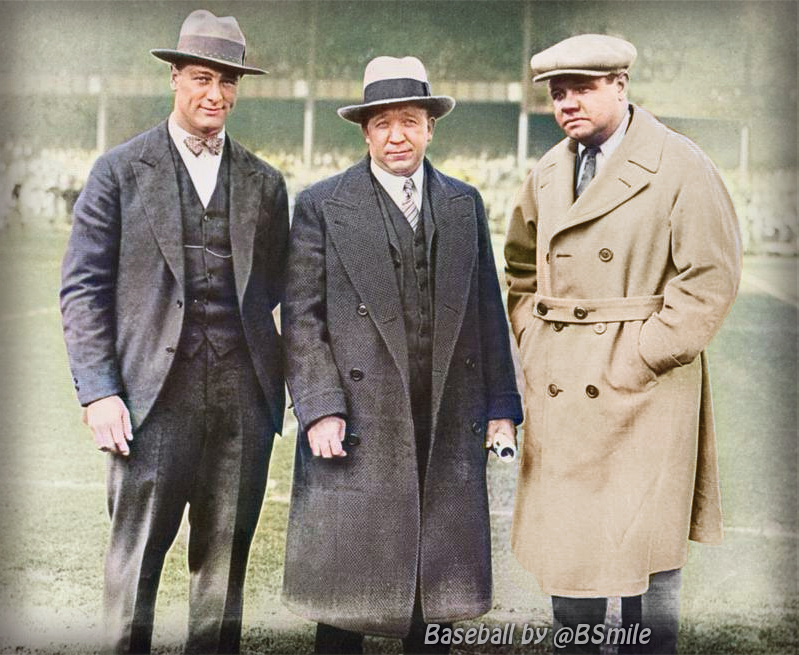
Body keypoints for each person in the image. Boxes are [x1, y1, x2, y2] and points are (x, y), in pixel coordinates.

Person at [504, 34, 742, 654]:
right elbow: (520, 270)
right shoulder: (548, 171)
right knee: (570, 555)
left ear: (620, 85)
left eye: (582, 89)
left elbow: (709, 278)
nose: (567, 104)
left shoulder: (681, 164)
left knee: (648, 557)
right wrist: (534, 337)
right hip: (564, 389)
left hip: (646, 394)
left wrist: (642, 355)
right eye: (558, 93)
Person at [59, 10, 288, 654]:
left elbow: (275, 289)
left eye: (227, 81)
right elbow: (82, 289)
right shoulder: (118, 171)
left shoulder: (266, 183)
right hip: (149, 401)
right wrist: (99, 391)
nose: (215, 94)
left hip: (243, 402)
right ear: (175, 79)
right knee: (135, 564)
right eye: (202, 78)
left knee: (224, 569)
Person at [281, 56, 523, 654]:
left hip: (446, 412)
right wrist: (320, 407)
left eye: (410, 121)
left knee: (434, 587)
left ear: (430, 128)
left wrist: (501, 407)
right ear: (365, 131)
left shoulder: (464, 203)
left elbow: (486, 312)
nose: (397, 136)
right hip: (358, 418)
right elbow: (302, 318)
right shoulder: (322, 204)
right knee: (345, 591)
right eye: (384, 123)